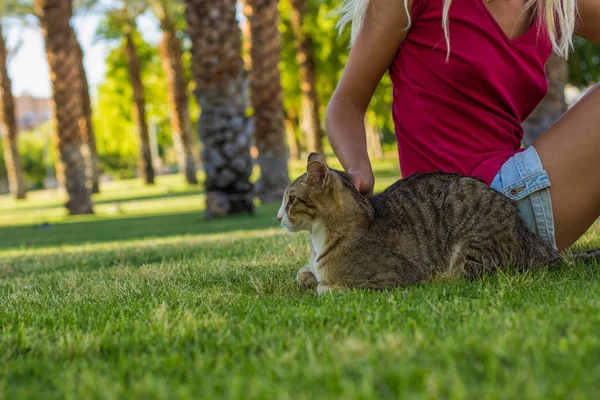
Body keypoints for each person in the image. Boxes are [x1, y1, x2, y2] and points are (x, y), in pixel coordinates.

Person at [326, 0, 600, 252]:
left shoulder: (551, 5)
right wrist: (357, 170)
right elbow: (346, 103)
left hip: (507, 209)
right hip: (453, 219)